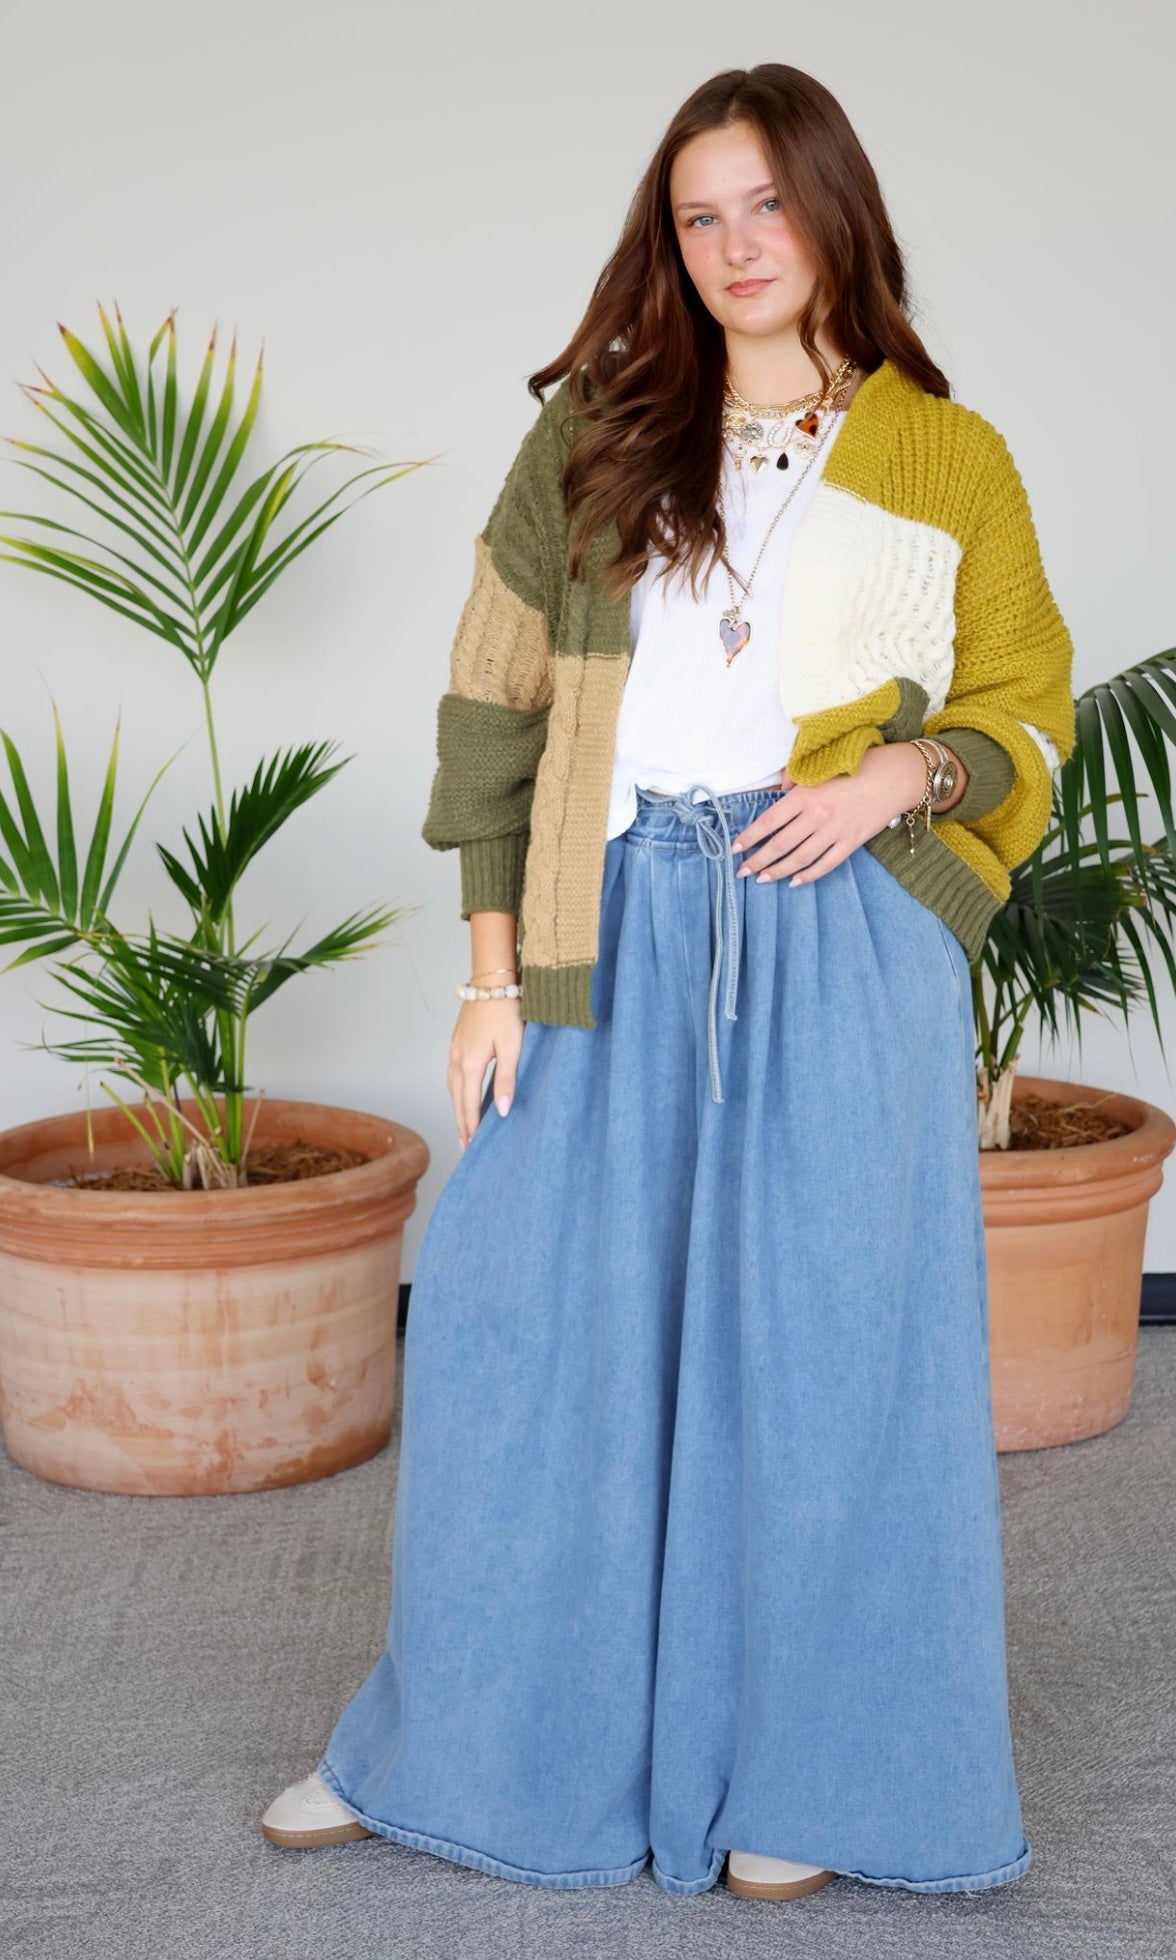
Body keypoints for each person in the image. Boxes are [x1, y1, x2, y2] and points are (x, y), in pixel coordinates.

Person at [261, 63, 1075, 1902]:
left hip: (837, 938)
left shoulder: (953, 456)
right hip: (603, 930)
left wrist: (895, 782)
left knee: (832, 1366)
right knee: (523, 1348)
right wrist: (487, 979)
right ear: (669, 234)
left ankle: (817, 1770)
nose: (733, 246)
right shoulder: (593, 439)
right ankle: (456, 1745)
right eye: (699, 215)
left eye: (766, 206)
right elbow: (490, 722)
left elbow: (1022, 711)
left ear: (834, 213)